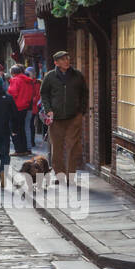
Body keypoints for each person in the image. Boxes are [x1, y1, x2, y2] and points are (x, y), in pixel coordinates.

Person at [40, 49, 88, 180]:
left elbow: (84, 93)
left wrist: (81, 111)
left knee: (73, 147)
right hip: (55, 118)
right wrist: (48, 109)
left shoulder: (77, 75)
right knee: (57, 148)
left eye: (67, 58)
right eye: (62, 59)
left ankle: (70, 176)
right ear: (56, 63)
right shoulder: (49, 76)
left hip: (74, 117)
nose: (66, 61)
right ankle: (60, 175)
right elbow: (44, 94)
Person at [8, 64, 36, 156]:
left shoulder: (15, 80)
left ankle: (18, 150)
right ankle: (24, 149)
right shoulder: (27, 80)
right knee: (22, 129)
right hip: (25, 107)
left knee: (14, 129)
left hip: (16, 107)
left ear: (13, 73)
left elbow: (12, 94)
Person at [25, 66, 41, 151]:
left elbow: (38, 95)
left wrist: (30, 100)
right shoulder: (26, 81)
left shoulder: (36, 83)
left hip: (33, 106)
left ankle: (31, 141)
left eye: (29, 73)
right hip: (26, 105)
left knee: (31, 125)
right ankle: (29, 141)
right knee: (28, 124)